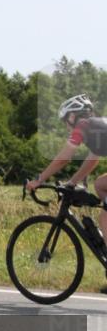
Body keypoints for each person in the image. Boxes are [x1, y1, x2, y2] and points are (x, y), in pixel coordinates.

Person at [27, 94, 107, 242]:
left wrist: (39, 179)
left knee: (105, 220)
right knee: (100, 185)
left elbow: (63, 159)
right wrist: (72, 182)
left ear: (72, 116)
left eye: (65, 122)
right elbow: (92, 160)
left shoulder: (83, 126)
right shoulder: (96, 126)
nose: (66, 126)